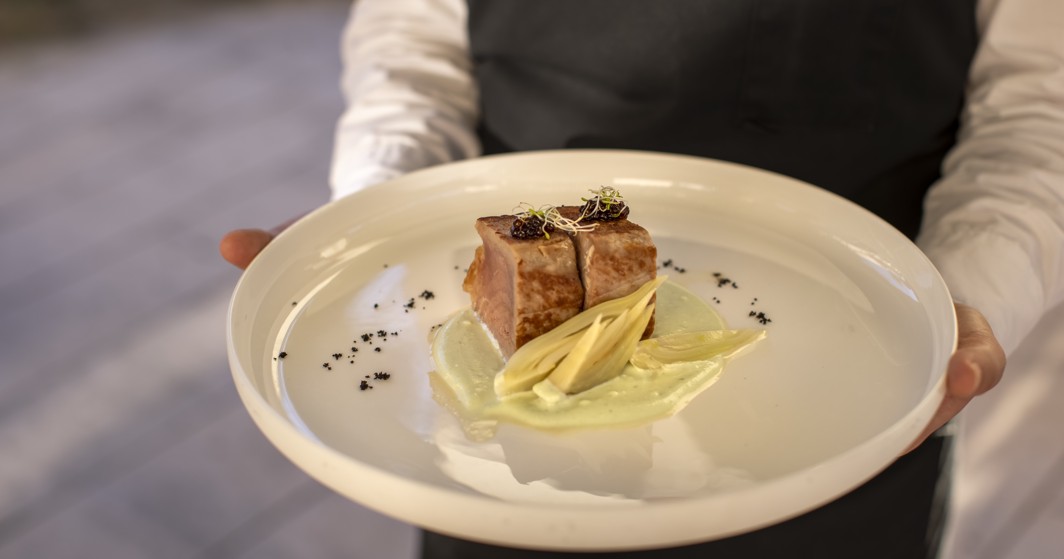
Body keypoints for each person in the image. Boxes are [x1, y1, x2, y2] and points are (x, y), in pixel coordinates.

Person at [221, 0, 1062, 557]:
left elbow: (1038, 111)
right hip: (495, 464)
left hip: (848, 408)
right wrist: (375, 210)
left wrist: (961, 298)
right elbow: (415, 50)